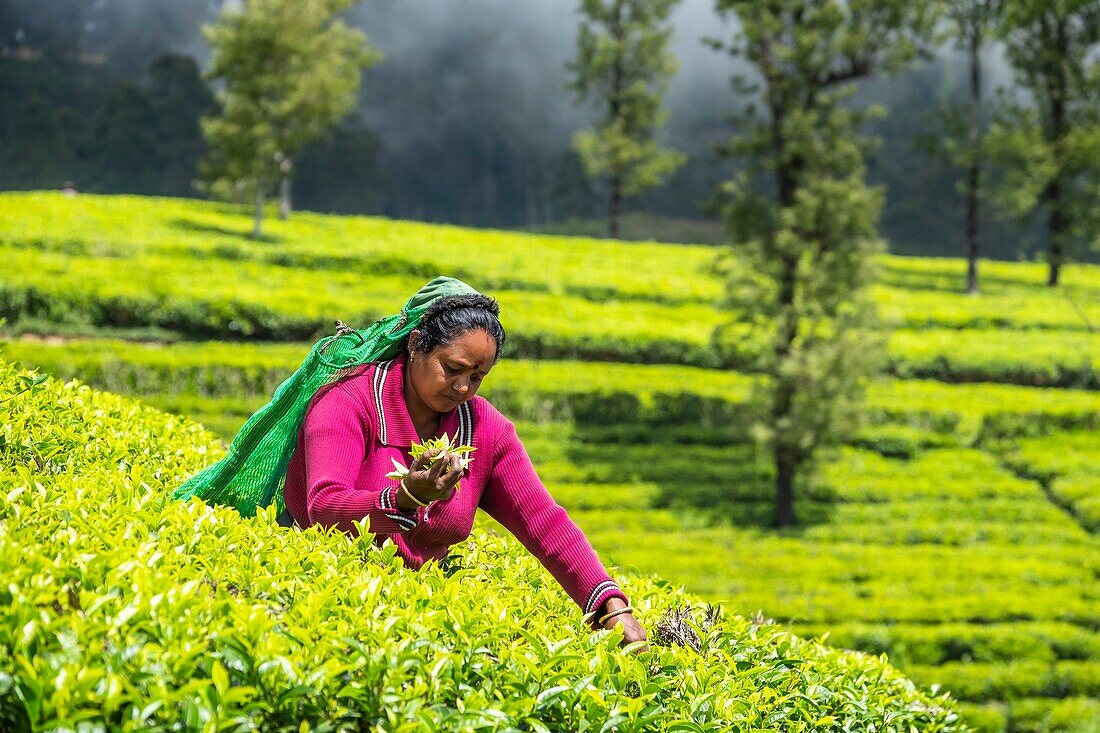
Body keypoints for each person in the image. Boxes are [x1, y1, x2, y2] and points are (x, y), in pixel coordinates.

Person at [281, 292, 647, 646]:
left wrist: (609, 605)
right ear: (415, 344)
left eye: (477, 377)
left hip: (422, 614)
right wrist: (405, 498)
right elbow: (324, 507)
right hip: (327, 599)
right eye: (452, 369)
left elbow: (542, 521)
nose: (462, 387)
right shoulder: (347, 401)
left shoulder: (483, 428)